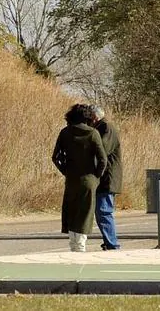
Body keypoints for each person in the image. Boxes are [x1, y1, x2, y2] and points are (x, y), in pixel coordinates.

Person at [52, 104, 107, 252]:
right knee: (85, 212)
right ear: (88, 117)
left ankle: (72, 243)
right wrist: (97, 175)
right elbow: (103, 159)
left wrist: (65, 171)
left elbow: (55, 157)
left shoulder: (64, 133)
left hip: (71, 178)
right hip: (89, 179)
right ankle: (81, 244)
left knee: (71, 210)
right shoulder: (93, 133)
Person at [88, 105, 122, 251]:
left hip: (107, 177)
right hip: (103, 176)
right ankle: (109, 241)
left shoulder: (106, 127)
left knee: (104, 210)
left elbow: (102, 150)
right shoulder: (101, 127)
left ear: (94, 117)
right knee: (101, 210)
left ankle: (112, 243)